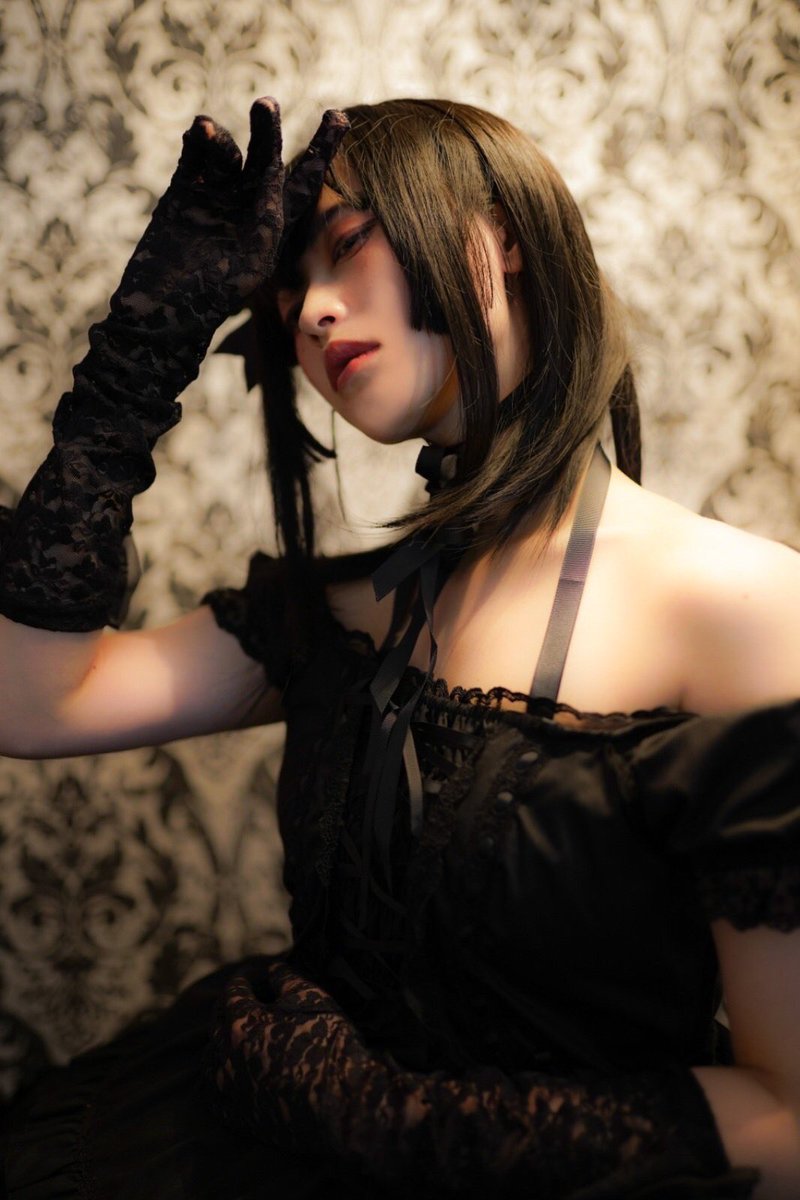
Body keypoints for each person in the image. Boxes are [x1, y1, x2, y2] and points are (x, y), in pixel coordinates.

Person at [0, 94, 797, 1199]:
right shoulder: (340, 613)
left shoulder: (745, 610)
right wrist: (146, 348)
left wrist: (395, 1123)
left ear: (497, 238)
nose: (312, 313)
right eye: (289, 290)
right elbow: (30, 704)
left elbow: (789, 1120)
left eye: (346, 246)